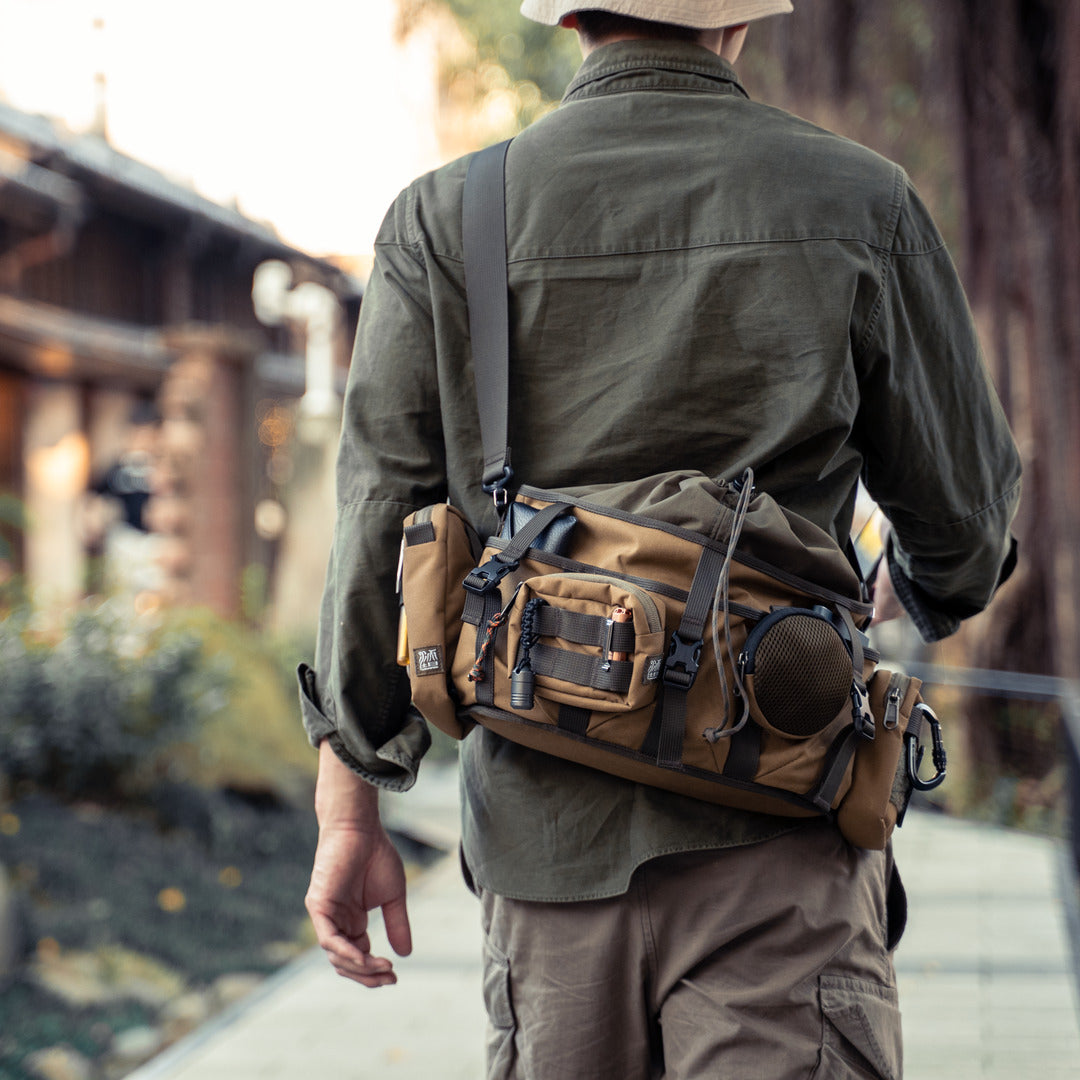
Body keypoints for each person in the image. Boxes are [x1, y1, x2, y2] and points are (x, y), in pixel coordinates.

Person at [299, 2, 1021, 1076]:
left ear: (573, 15)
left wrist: (350, 802)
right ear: (737, 21)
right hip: (781, 828)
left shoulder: (447, 219)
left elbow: (379, 528)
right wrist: (911, 590)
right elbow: (966, 525)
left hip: (548, 852)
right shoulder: (858, 200)